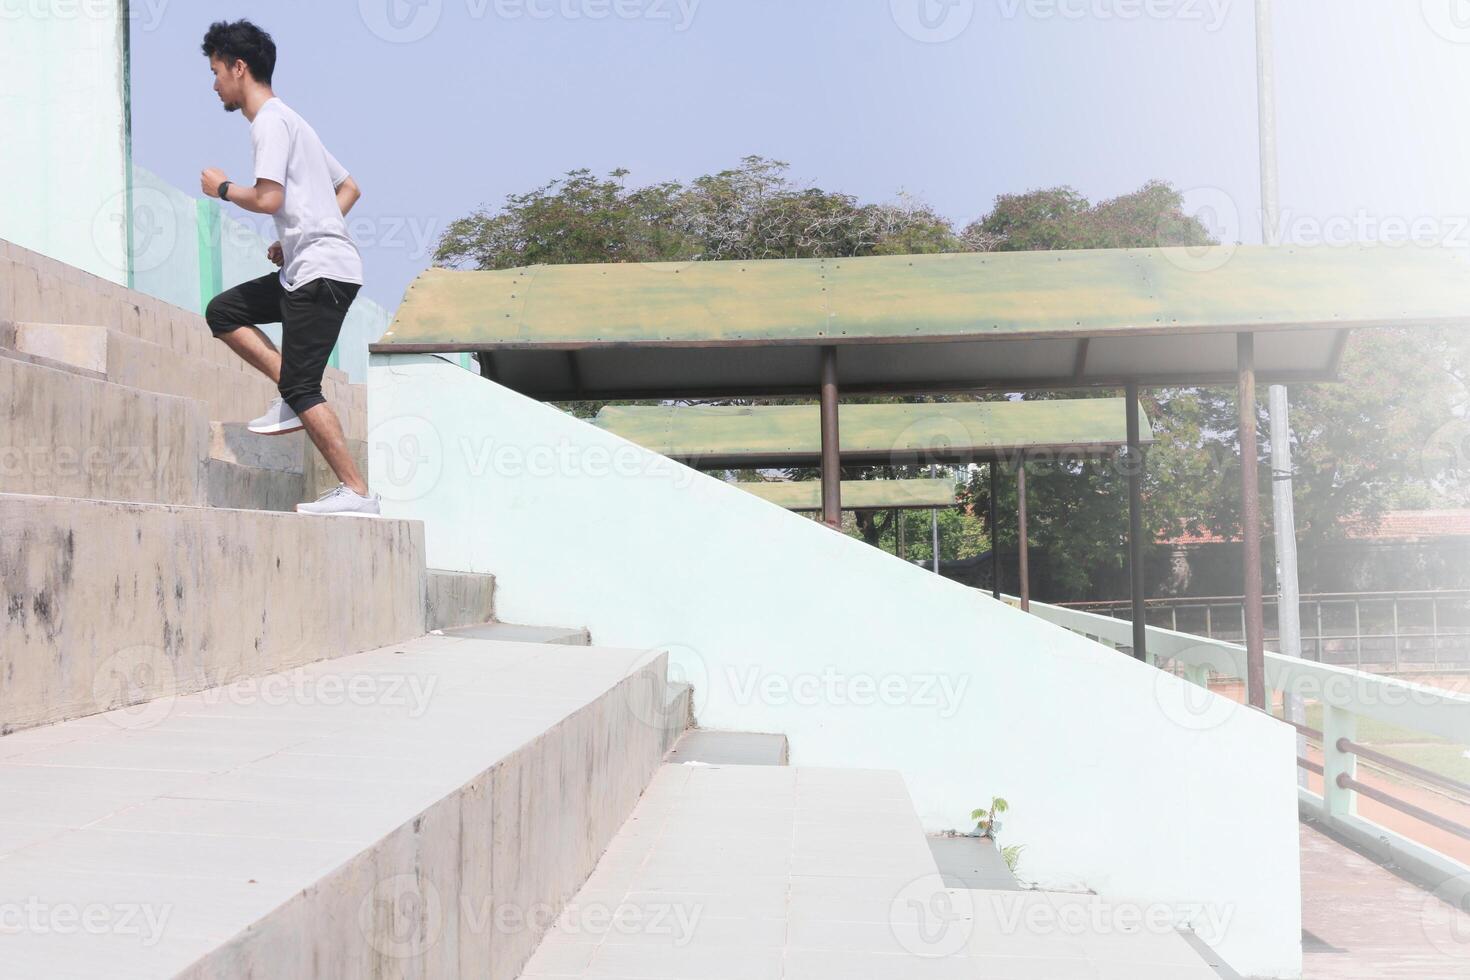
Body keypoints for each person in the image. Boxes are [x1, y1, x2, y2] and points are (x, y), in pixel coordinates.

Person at [198, 19, 380, 517]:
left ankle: (358, 493)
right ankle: (290, 394)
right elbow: (349, 188)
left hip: (322, 273)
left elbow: (268, 196)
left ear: (239, 68)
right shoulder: (293, 120)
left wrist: (221, 188)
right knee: (224, 311)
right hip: (307, 265)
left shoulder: (269, 124)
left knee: (304, 388)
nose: (214, 85)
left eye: (216, 72)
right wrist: (297, 236)